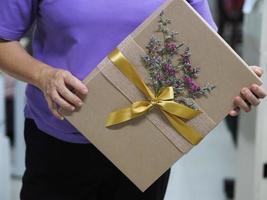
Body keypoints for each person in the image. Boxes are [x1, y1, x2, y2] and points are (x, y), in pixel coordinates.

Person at [0, 0, 265, 200]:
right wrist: (44, 76)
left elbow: (202, 48)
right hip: (60, 141)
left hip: (145, 143)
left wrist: (231, 82)